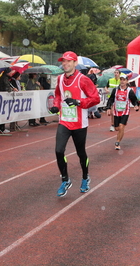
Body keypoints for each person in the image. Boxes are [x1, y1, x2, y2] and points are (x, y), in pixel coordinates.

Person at [49, 51, 100, 197]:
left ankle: (85, 178)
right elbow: (58, 95)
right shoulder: (59, 79)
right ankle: (65, 180)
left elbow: (95, 98)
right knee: (59, 151)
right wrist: (56, 106)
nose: (65, 64)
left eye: (68, 61)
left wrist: (78, 102)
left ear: (75, 63)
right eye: (63, 61)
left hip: (79, 123)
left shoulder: (83, 80)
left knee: (81, 153)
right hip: (64, 121)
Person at [105, 73, 139, 150]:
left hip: (125, 111)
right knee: (117, 128)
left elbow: (134, 100)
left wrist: (136, 105)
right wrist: (108, 108)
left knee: (121, 126)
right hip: (117, 111)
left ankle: (117, 142)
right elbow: (111, 99)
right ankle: (120, 133)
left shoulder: (130, 91)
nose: (122, 81)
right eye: (121, 80)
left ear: (127, 81)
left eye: (124, 80)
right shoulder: (115, 90)